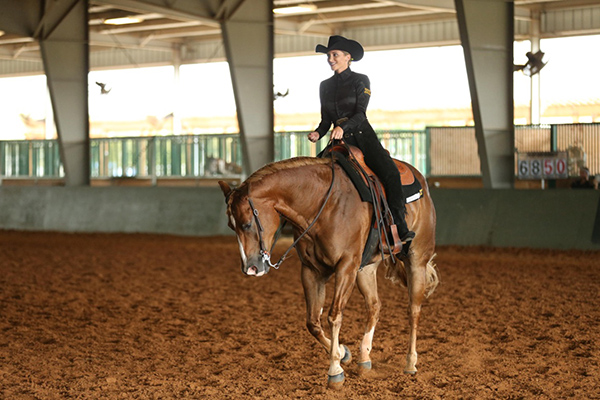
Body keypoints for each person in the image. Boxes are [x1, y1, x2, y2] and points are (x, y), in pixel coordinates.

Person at [307, 35, 415, 246]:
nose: (330, 59)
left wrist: (342, 127)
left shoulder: (361, 80)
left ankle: (400, 226)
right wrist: (318, 133)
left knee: (390, 173)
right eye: (329, 55)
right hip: (339, 141)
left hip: (363, 137)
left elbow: (361, 114)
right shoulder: (324, 86)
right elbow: (325, 120)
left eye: (334, 55)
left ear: (348, 57)